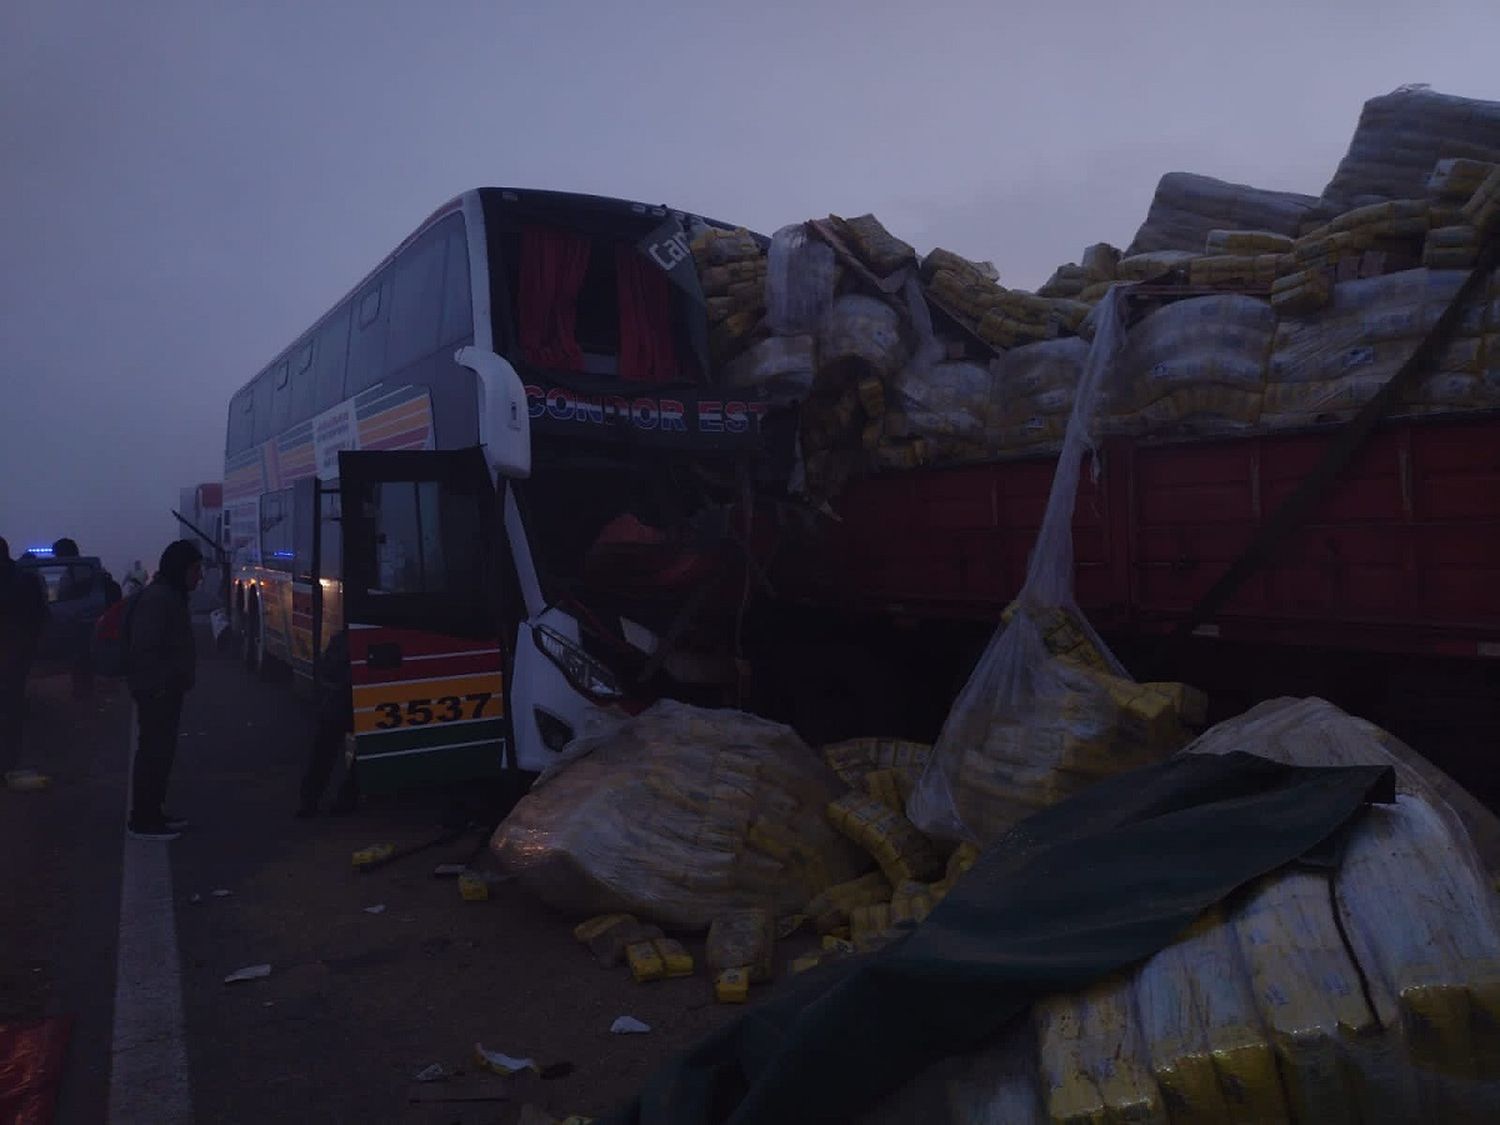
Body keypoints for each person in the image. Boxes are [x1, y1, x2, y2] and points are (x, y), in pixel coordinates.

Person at [125, 539, 203, 840]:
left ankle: (153, 813)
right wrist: (159, 686)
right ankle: (143, 820)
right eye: (195, 570)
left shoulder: (170, 596)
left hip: (165, 690)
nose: (199, 577)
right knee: (153, 754)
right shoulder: (159, 600)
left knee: (161, 753)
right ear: (180, 569)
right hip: (157, 692)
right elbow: (144, 649)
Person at [296, 628, 359, 817]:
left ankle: (310, 801)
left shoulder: (340, 640)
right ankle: (346, 799)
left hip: (334, 705)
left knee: (324, 751)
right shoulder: (359, 640)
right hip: (347, 704)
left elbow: (326, 672)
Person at [1, 537, 48, 775]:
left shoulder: (23, 579)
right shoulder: (27, 579)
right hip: (17, 653)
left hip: (13, 650)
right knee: (12, 709)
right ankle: (9, 762)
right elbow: (42, 615)